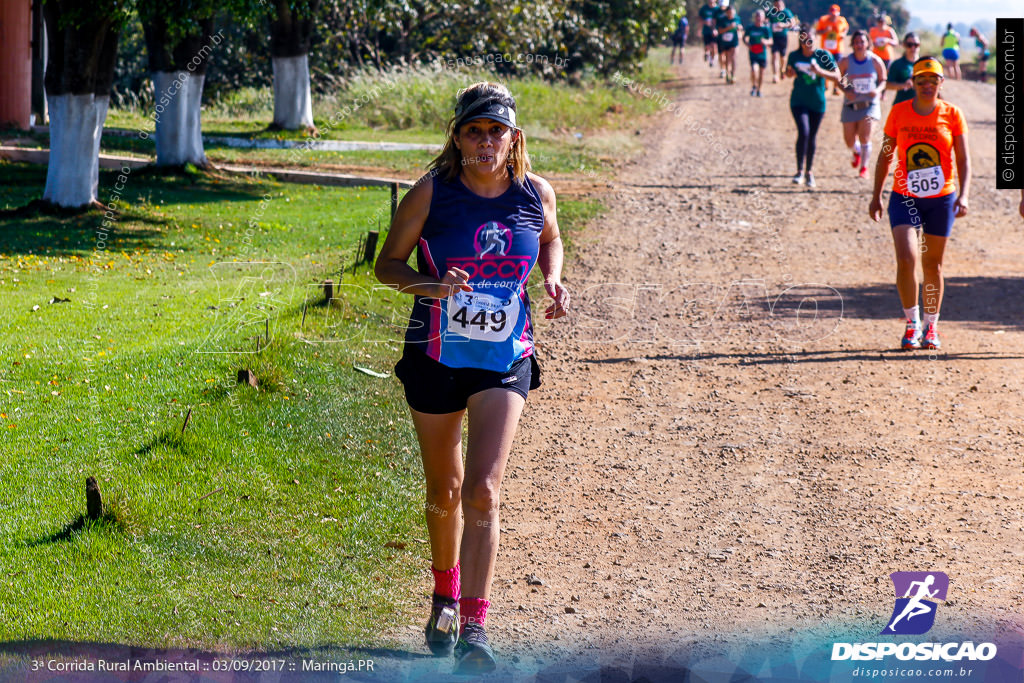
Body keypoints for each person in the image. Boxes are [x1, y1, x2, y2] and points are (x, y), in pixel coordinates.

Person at [375, 82, 569, 673]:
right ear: (457, 139)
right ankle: (443, 594)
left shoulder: (536, 193)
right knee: (446, 491)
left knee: (484, 488)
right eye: (474, 131)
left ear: (514, 139)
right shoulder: (432, 194)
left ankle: (476, 622)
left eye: (496, 131)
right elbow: (386, 264)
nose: (486, 142)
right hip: (435, 355)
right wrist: (429, 286)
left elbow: (552, 239)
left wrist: (553, 278)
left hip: (505, 357)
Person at [869, 57, 970, 351]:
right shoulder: (899, 112)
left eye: (933, 80)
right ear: (912, 83)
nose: (927, 86)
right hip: (905, 196)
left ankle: (931, 327)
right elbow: (887, 155)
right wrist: (876, 194)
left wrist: (963, 195)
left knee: (933, 264)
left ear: (941, 83)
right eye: (921, 80)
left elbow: (963, 159)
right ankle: (911, 323)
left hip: (941, 198)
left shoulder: (952, 114)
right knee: (907, 259)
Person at [786, 25, 844, 188]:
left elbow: (837, 76)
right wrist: (789, 73)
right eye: (804, 39)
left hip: (817, 102)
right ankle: (798, 171)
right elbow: (788, 71)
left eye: (810, 39)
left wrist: (820, 71)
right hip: (798, 101)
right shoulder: (794, 55)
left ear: (815, 39)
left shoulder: (823, 55)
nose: (807, 42)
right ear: (800, 41)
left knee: (811, 136)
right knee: (803, 132)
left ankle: (809, 172)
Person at [838, 31, 887, 179]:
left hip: (869, 105)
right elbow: (837, 78)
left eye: (862, 42)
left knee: (865, 136)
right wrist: (846, 91)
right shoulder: (846, 61)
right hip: (851, 105)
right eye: (856, 42)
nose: (859, 45)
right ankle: (856, 151)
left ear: (868, 44)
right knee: (849, 141)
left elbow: (883, 79)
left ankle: (864, 168)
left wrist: (877, 91)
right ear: (852, 44)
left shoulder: (875, 61)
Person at [816, 4, 849, 95]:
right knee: (825, 68)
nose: (834, 15)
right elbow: (817, 32)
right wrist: (824, 31)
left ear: (838, 13)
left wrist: (844, 34)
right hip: (826, 50)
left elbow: (846, 27)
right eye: (832, 13)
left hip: (838, 49)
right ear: (829, 13)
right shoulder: (823, 20)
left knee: (838, 69)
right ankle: (825, 86)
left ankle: (836, 87)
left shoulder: (842, 20)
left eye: (835, 14)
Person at [886, 33, 921, 105]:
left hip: (921, 108)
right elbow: (887, 85)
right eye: (910, 45)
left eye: (916, 45)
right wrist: (904, 85)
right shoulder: (897, 64)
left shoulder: (924, 64)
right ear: (904, 45)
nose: (913, 48)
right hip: (901, 105)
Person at [744, 10, 773, 96]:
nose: (758, 18)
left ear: (764, 18)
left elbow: (771, 41)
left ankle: (759, 90)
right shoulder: (750, 28)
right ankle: (754, 86)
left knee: (761, 73)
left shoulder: (766, 29)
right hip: (753, 53)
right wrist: (747, 43)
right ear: (754, 17)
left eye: (760, 16)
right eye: (757, 16)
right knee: (754, 70)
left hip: (762, 54)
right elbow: (744, 37)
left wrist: (765, 42)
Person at [768, 0, 795, 83]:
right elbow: (765, 21)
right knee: (774, 56)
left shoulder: (786, 12)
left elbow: (792, 23)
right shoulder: (771, 12)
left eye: (780, 4)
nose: (778, 6)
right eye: (776, 4)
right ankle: (775, 75)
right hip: (774, 38)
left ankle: (782, 69)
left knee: (783, 57)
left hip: (783, 37)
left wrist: (784, 25)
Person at [716, 3, 742, 84]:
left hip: (734, 41)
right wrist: (729, 27)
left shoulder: (737, 18)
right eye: (729, 13)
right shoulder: (723, 20)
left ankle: (733, 75)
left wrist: (739, 28)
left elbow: (740, 27)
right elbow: (719, 31)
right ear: (727, 13)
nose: (731, 14)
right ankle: (727, 74)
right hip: (725, 42)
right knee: (727, 59)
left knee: (734, 58)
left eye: (732, 13)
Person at [700, 0, 720, 69]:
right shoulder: (704, 8)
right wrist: (704, 23)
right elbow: (700, 18)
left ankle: (712, 60)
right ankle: (707, 54)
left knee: (714, 46)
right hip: (706, 31)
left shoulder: (718, 9)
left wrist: (716, 28)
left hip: (715, 31)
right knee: (707, 46)